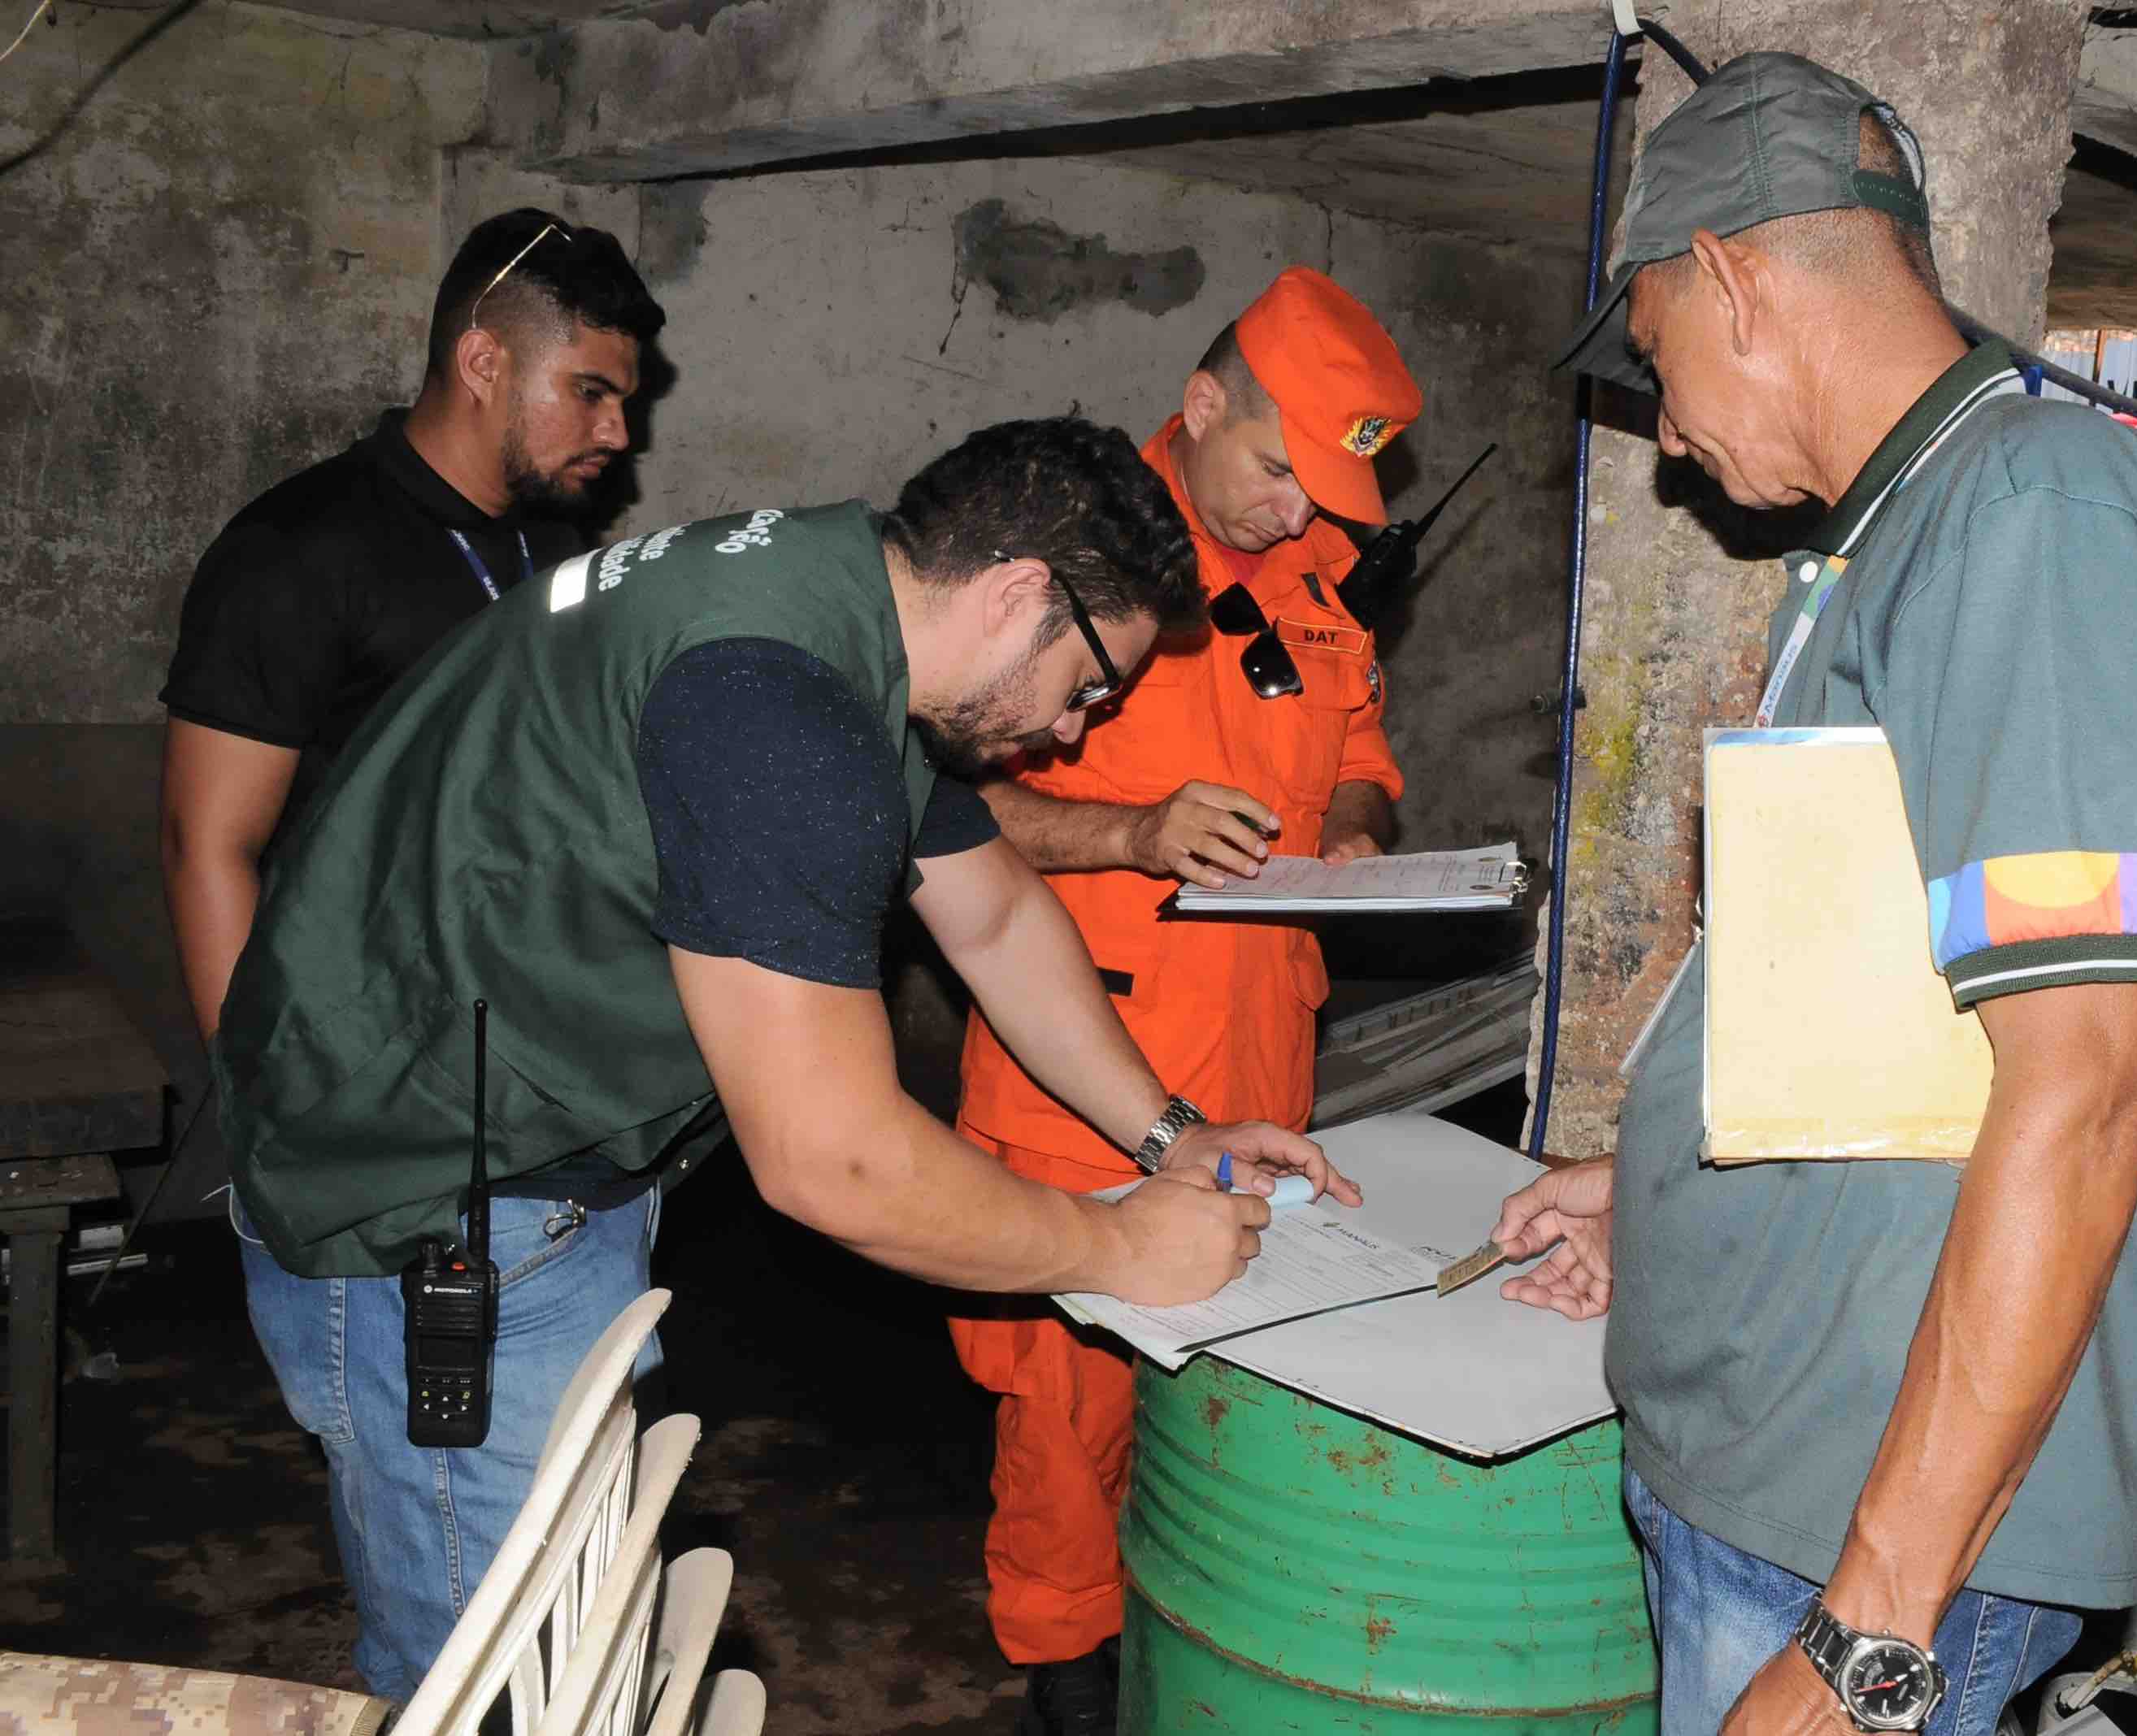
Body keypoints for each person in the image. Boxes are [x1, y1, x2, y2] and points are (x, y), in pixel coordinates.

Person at [212, 416, 1354, 1703]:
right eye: (1090, 684)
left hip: (519, 1125)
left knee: (577, 1638)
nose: (1078, 733)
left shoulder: (832, 596)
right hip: (435, 1195)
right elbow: (835, 1164)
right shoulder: (778, 704)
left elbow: (992, 913)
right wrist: (1124, 1251)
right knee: (508, 1684)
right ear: (1018, 592)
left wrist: (1169, 1135)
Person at [1504, 53, 2137, 1736]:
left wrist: (1869, 1640)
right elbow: (1884, 1012)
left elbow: (2085, 1091)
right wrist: (1663, 1191)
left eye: (1655, 362)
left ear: (1732, 278)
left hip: (1852, 1545)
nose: (1671, 434)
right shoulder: (1902, 537)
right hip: (1785, 1468)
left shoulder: (2045, 517)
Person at [949, 266, 1421, 1734]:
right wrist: (1132, 831)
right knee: (1065, 1422)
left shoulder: (1314, 586)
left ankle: (1199, 1640)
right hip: (1083, 1078)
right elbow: (935, 816)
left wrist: (1351, 829)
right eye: (1280, 470)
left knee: (1226, 1389)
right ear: (1200, 404)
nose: (1299, 512)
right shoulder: (1064, 569)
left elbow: (1362, 752)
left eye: (1328, 492)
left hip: (1261, 1065)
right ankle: (1070, 1681)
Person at [161, 207, 662, 1047]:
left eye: (622, 401)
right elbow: (204, 847)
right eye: (589, 392)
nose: (618, 432)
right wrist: (269, 1104)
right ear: (483, 361)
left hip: (522, 1031)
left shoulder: (554, 538)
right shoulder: (296, 551)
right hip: (361, 1042)